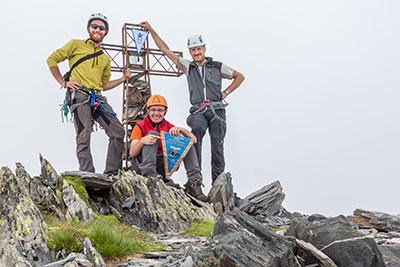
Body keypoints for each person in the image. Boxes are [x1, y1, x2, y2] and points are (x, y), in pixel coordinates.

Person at [138, 21, 245, 183]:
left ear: (204, 49)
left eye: (199, 49)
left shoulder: (217, 66)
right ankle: (196, 178)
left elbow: (240, 77)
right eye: (193, 50)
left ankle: (218, 183)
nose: (196, 52)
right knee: (196, 132)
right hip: (198, 111)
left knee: (217, 148)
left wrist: (225, 93)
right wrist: (151, 30)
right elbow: (165, 50)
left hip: (217, 110)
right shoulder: (188, 67)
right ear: (190, 51)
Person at [47, 13, 131, 175]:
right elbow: (52, 60)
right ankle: (87, 173)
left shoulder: (104, 59)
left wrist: (122, 79)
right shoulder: (75, 45)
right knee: (83, 134)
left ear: (105, 32)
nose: (98, 30)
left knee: (118, 131)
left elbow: (104, 85)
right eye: (94, 26)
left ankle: (112, 173)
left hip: (96, 96)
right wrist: (63, 83)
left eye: (102, 27)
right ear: (88, 28)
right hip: (79, 95)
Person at [129, 94, 208, 201]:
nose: (156, 113)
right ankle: (149, 176)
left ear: (165, 111)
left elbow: (193, 141)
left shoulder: (169, 126)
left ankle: (194, 183)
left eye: (160, 110)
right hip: (142, 166)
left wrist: (182, 131)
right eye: (153, 110)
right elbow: (132, 153)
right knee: (151, 134)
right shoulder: (140, 125)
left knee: (186, 142)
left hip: (162, 166)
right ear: (148, 111)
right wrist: (143, 141)